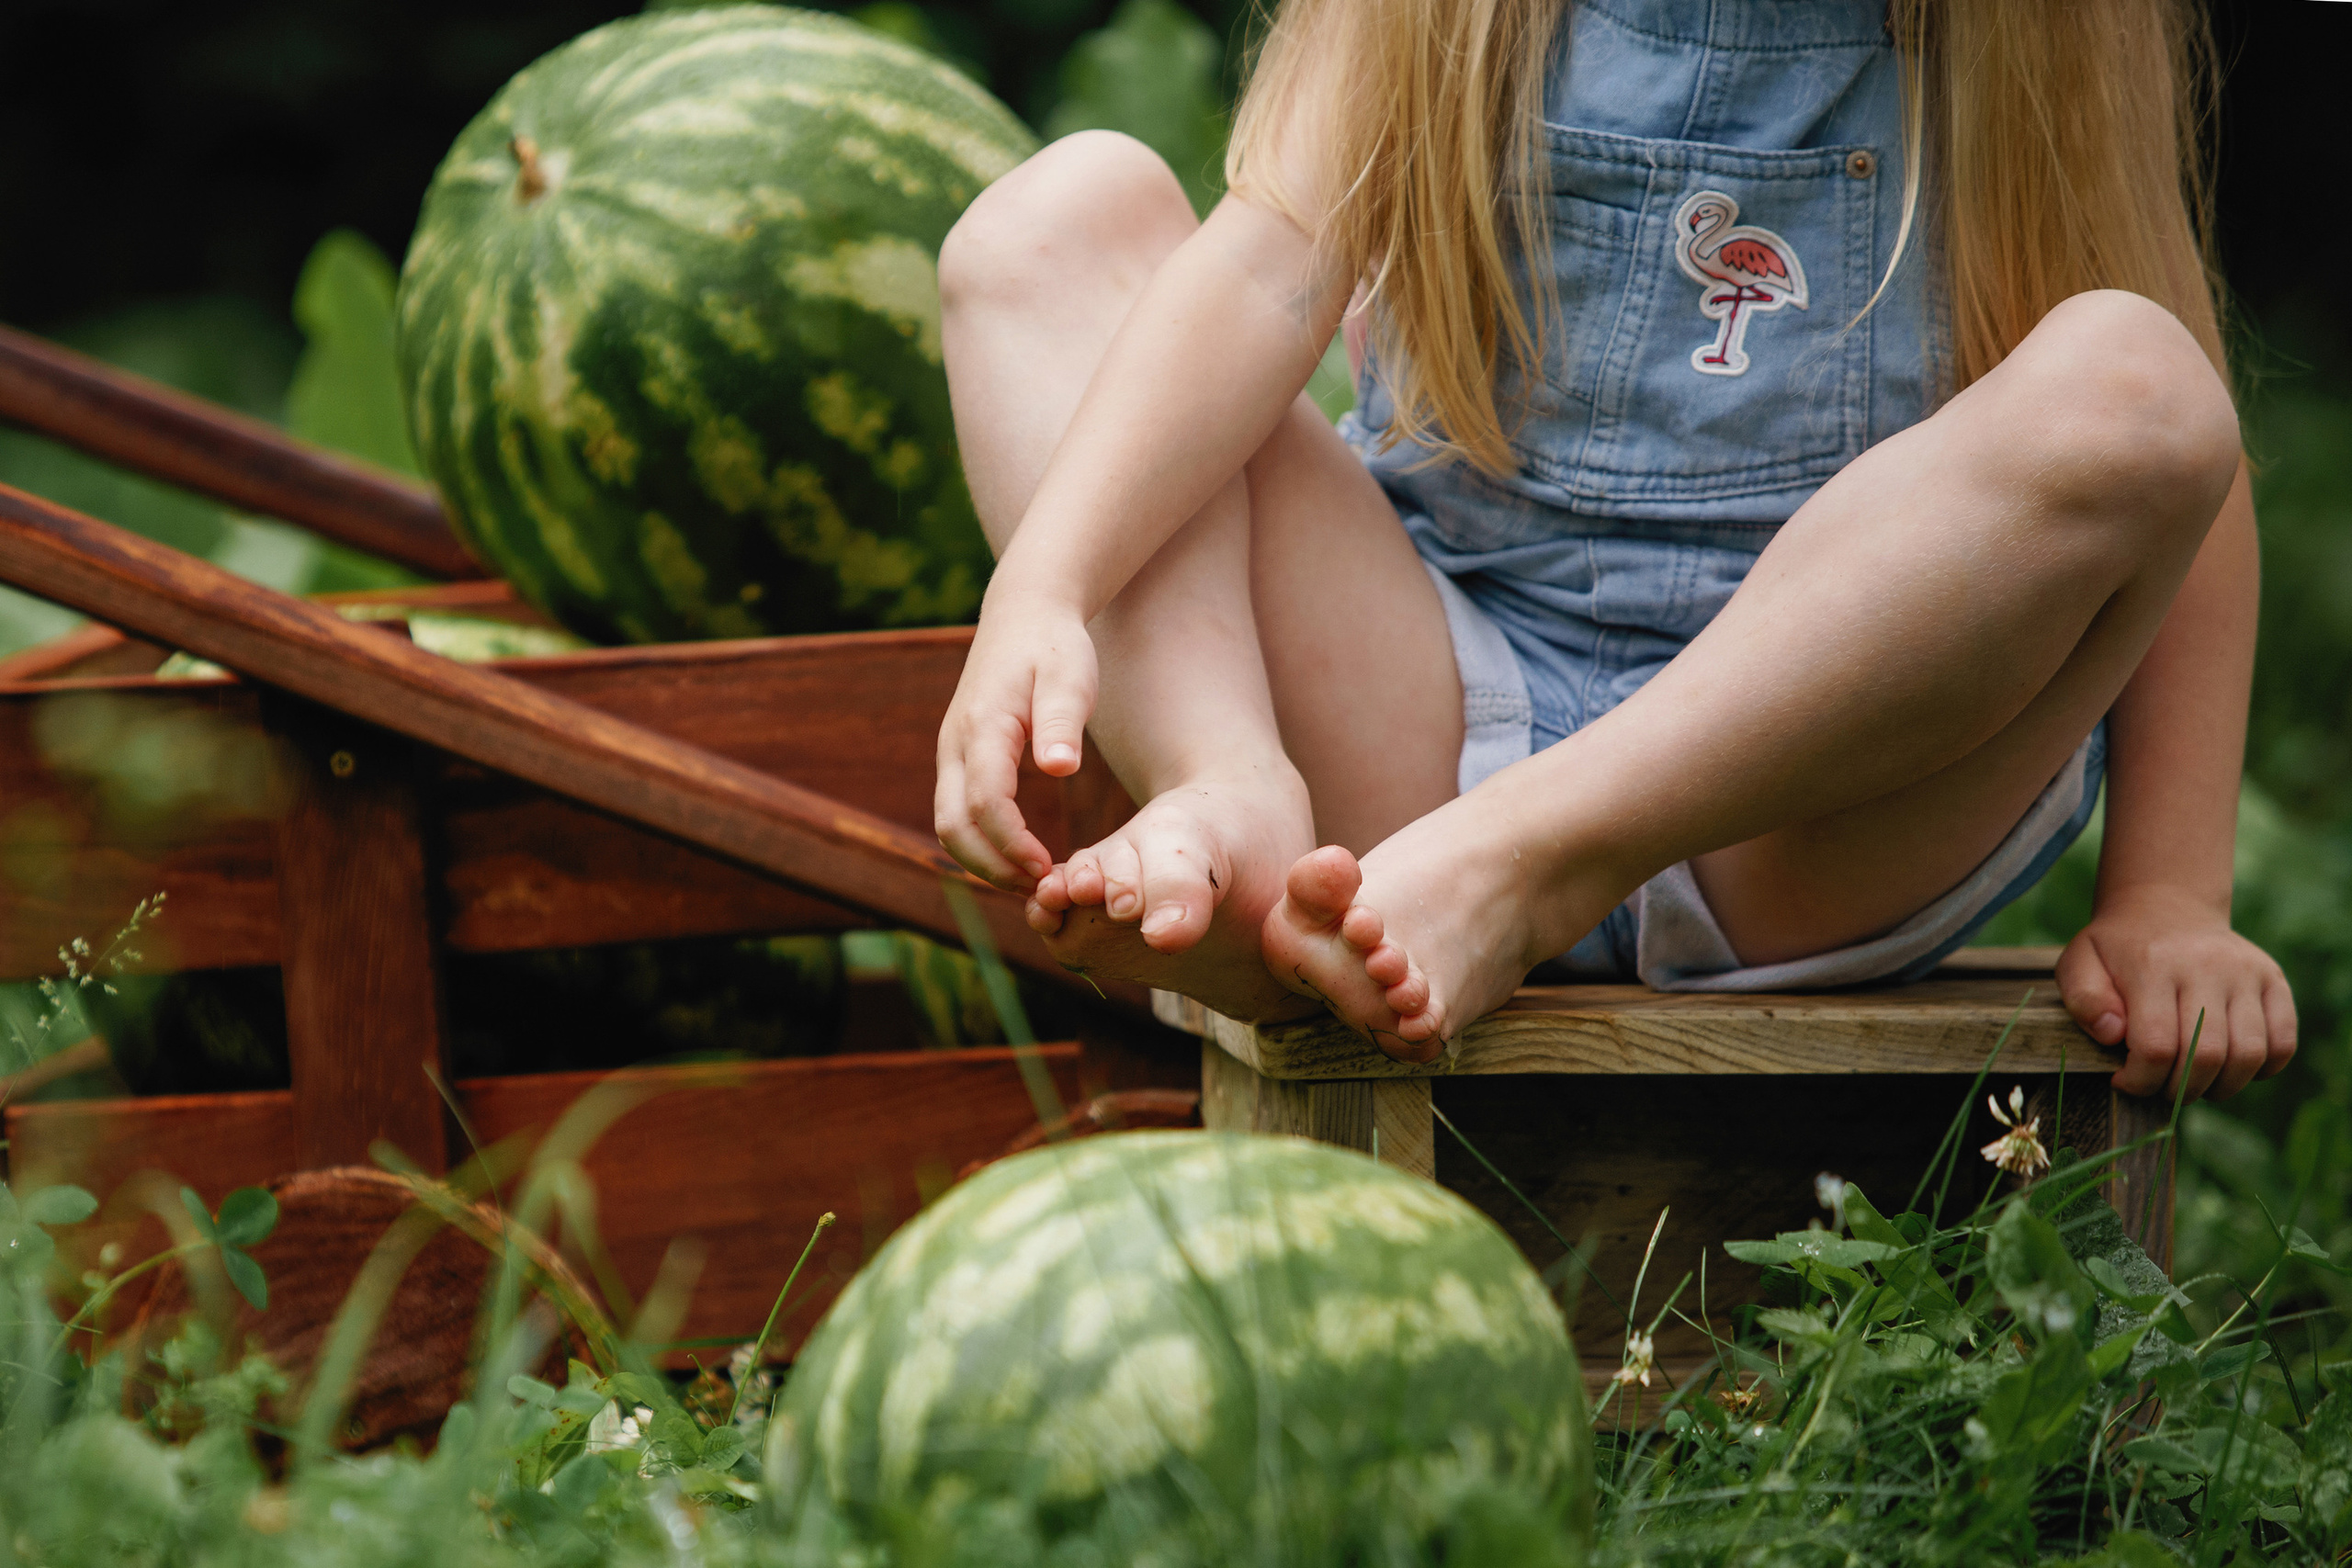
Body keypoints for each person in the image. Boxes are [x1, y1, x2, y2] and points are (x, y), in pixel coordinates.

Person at [931, 0, 2298, 1101]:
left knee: (2139, 382)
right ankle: (1231, 790)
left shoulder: (2035, 30)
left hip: (1808, 803)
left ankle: (1530, 863)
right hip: (1426, 711)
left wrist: (2171, 892)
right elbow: (1259, 276)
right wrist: (1048, 586)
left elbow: (2191, 468)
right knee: (1055, 224)